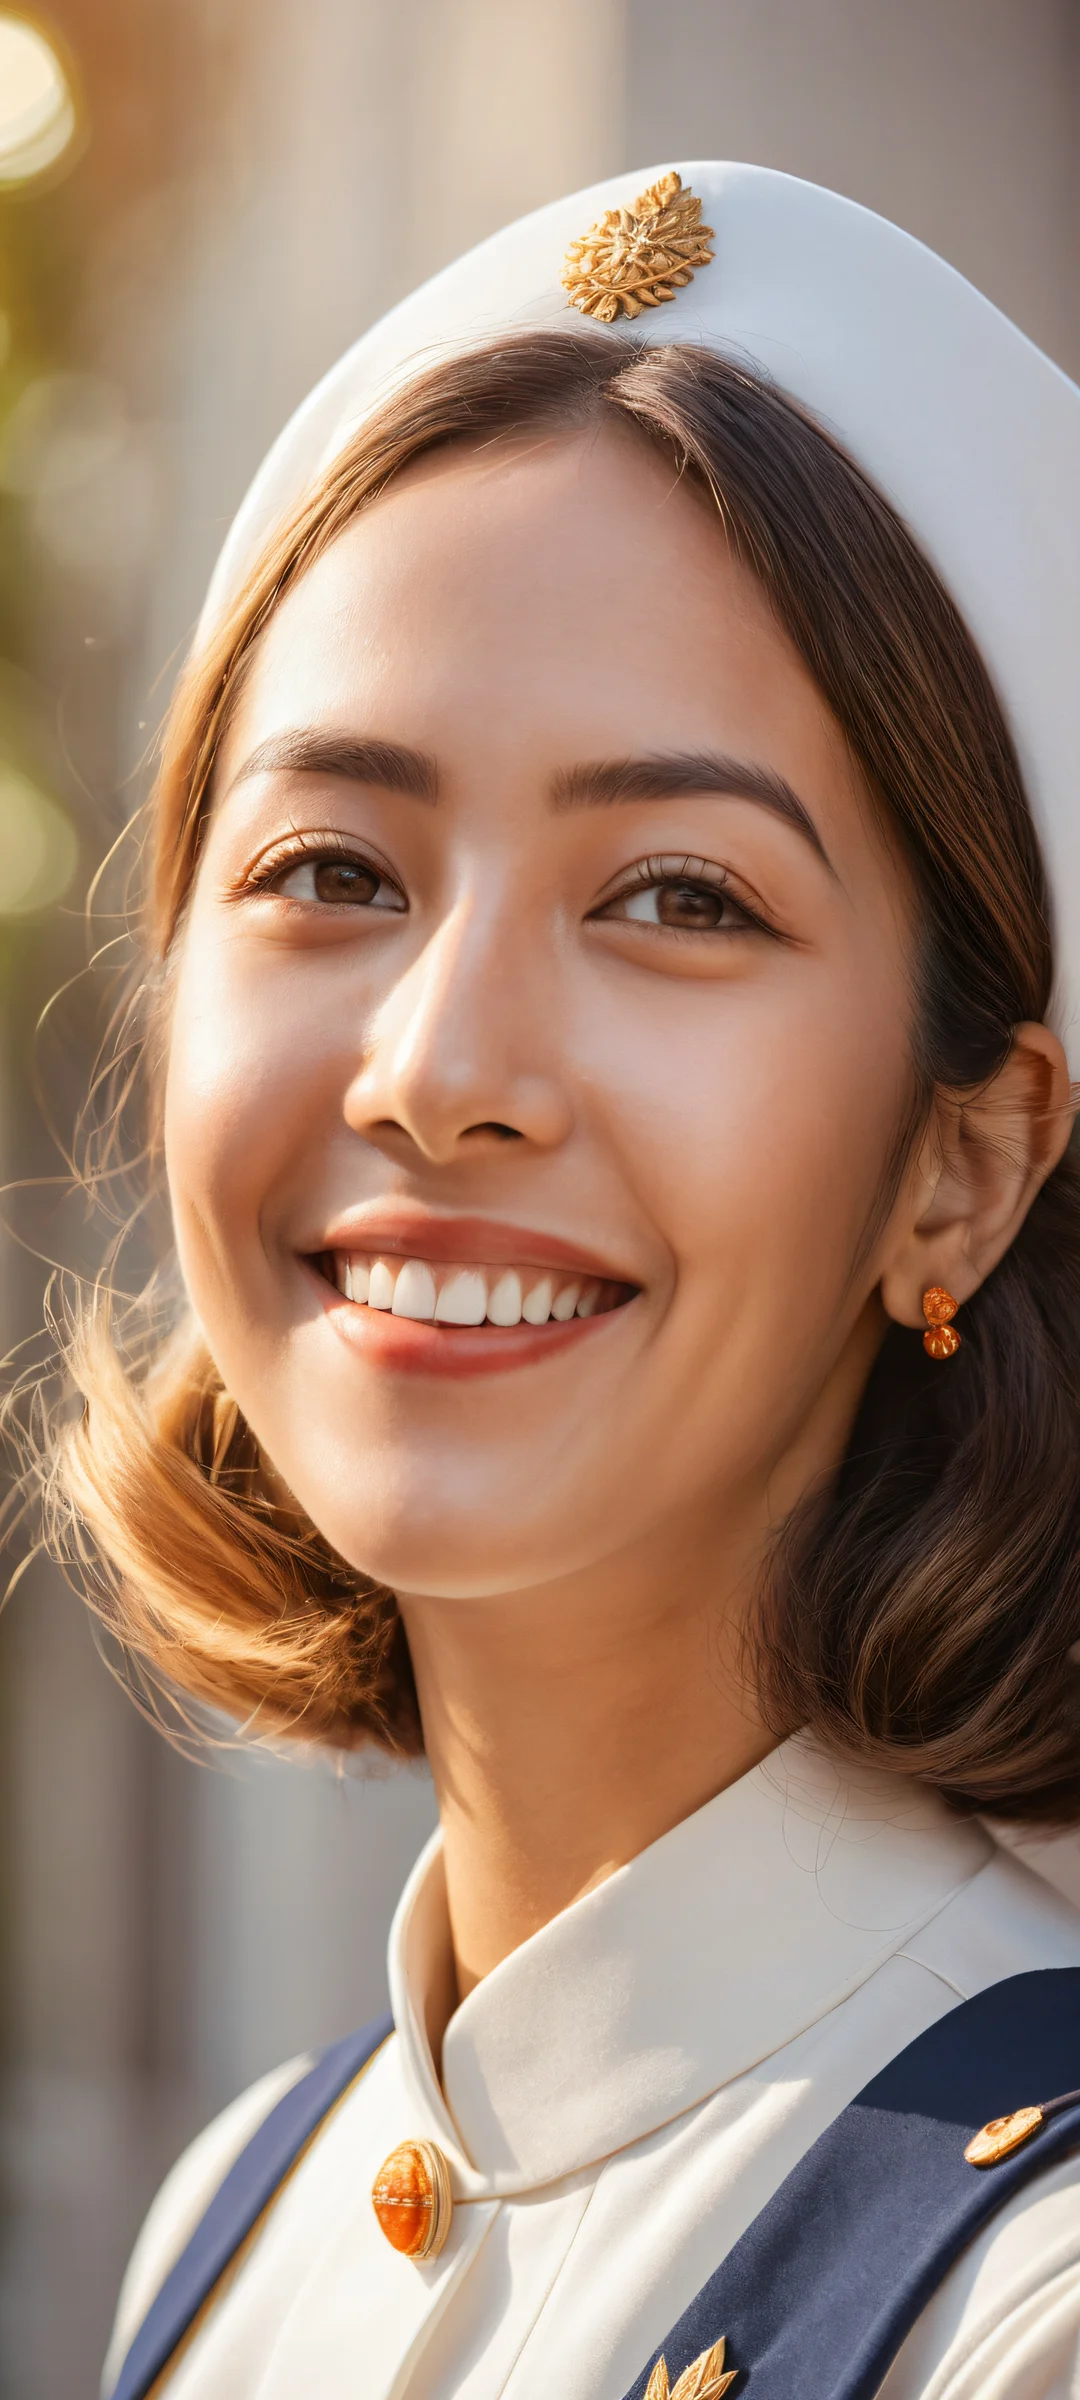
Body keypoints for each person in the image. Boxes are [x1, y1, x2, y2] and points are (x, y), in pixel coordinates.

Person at [39, 163, 1080, 2397]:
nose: (440, 1071)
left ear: (965, 1161)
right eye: (333, 868)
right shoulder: (239, 2232)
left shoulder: (1032, 2303)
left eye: (680, 898)